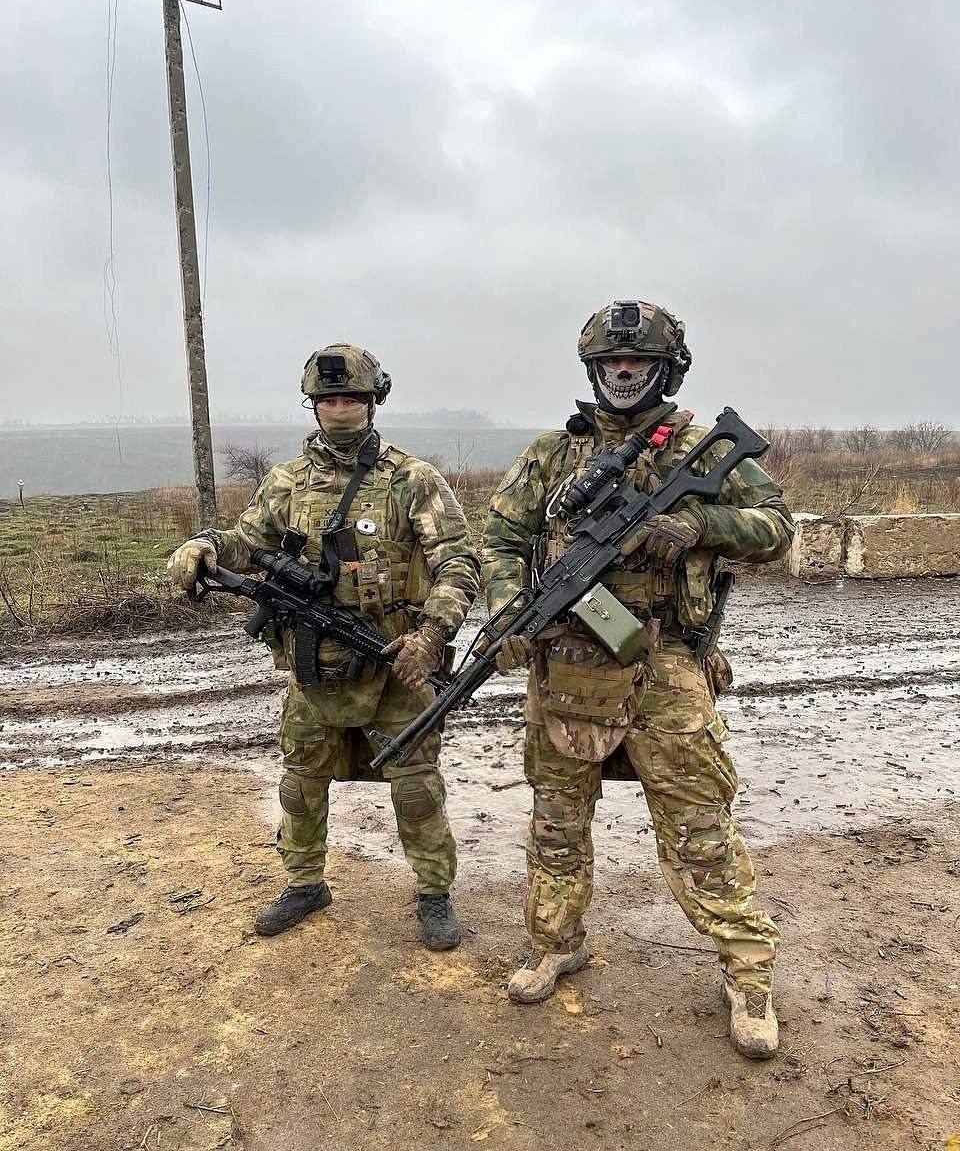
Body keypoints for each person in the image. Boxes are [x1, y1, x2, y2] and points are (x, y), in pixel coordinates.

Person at [481, 300, 794, 1057]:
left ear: (666, 369)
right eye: (612, 363)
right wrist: (506, 612)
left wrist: (702, 525)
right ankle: (556, 943)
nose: (623, 374)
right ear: (593, 369)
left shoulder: (695, 447)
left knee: (700, 828)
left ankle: (748, 974)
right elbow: (501, 537)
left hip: (668, 664)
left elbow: (777, 526)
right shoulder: (553, 455)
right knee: (556, 821)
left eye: (639, 362)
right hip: (566, 663)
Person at [168, 344, 480, 950]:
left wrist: (433, 634)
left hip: (395, 659)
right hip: (314, 666)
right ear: (313, 405)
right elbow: (247, 542)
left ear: (373, 401)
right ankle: (305, 884)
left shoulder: (412, 479)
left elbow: (459, 562)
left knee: (416, 785)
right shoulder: (287, 482)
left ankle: (434, 892)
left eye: (352, 399)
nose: (340, 410)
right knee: (300, 782)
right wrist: (205, 545)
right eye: (329, 399)